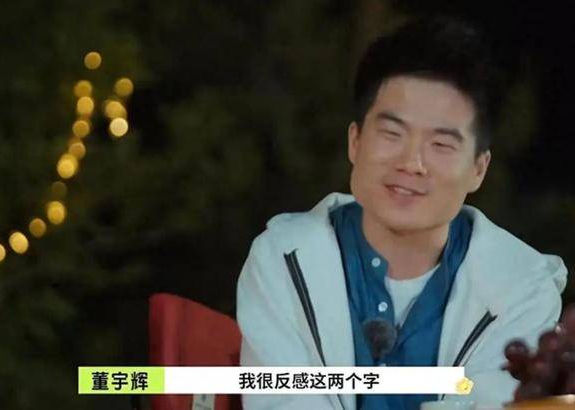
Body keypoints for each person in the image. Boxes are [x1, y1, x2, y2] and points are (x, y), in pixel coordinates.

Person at [236, 16, 568, 410]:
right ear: (355, 141)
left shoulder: (523, 288)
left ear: (478, 169)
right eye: (392, 134)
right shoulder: (282, 259)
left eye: (441, 145)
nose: (412, 163)